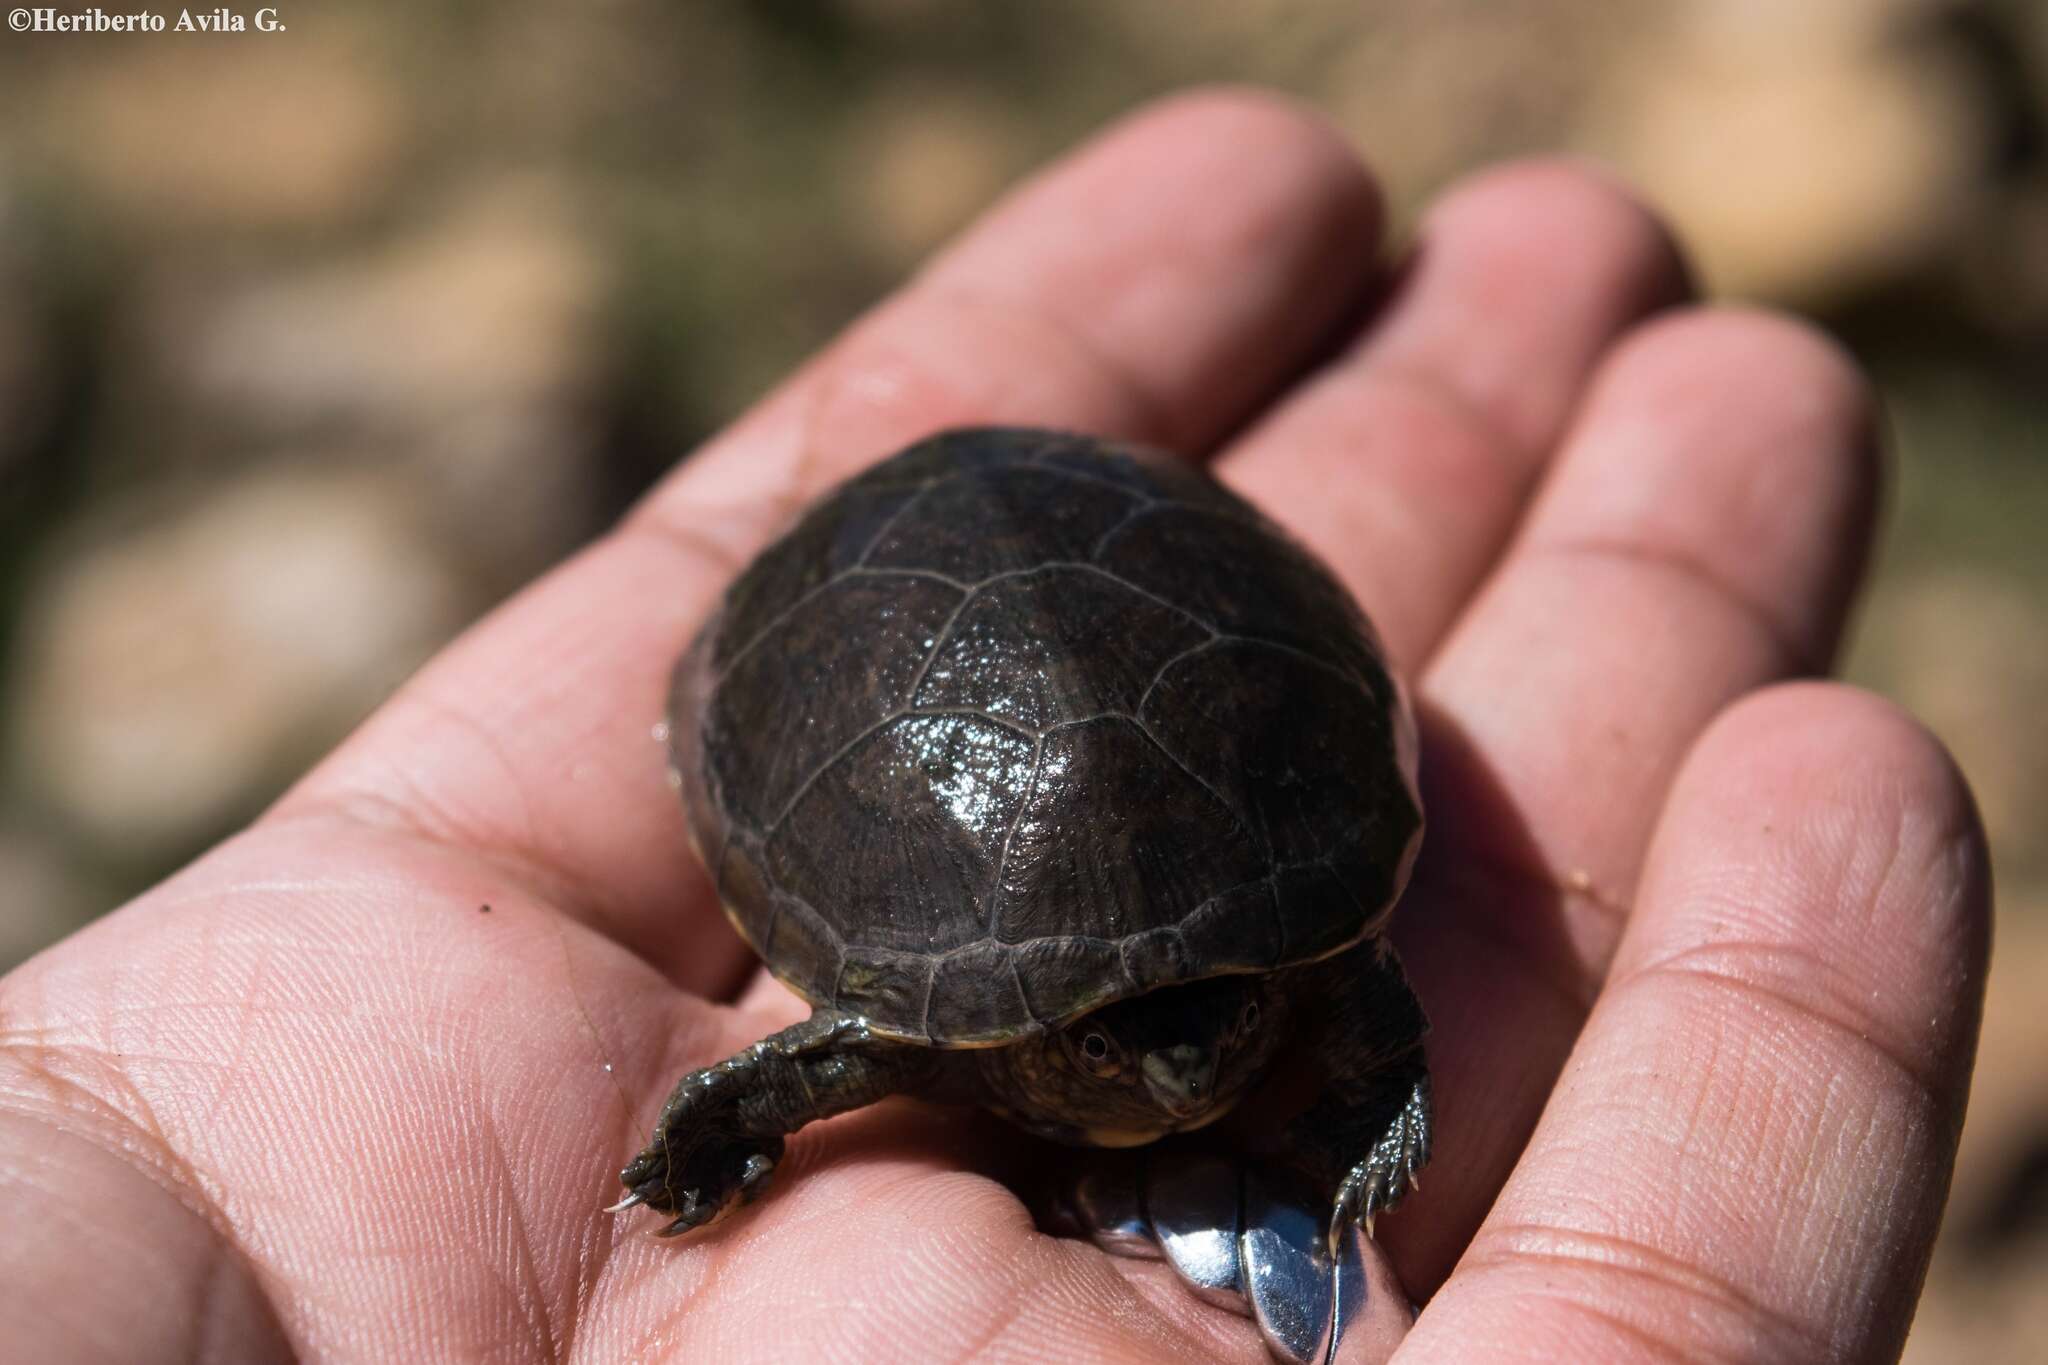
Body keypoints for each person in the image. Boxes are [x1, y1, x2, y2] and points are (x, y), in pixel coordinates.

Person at [0, 90, 1988, 1363]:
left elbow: (1354, 990)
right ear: (1063, 1051)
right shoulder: (929, 1021)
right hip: (879, 605)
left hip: (1160, 612)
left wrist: (1382, 1111)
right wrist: (710, 1138)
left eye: (1207, 1018)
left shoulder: (1290, 975)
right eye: (1154, 1036)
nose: (1202, 1043)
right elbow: (821, 1055)